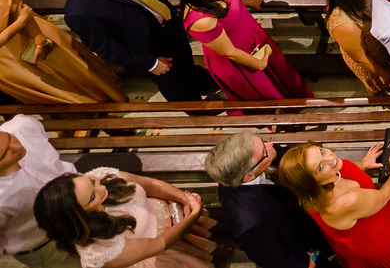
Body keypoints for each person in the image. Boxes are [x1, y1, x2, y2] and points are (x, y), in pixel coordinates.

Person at [60, 0, 216, 101]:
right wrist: (151, 63)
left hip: (169, 22)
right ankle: (193, 107)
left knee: (185, 59)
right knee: (174, 83)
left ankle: (199, 80)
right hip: (149, 49)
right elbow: (108, 48)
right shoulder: (80, 10)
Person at [275, 143, 390, 268]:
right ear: (311, 182)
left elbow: (342, 171)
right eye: (320, 167)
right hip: (374, 240)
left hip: (368, 218)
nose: (331, 159)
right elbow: (383, 196)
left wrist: (363, 164)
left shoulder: (322, 180)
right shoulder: (344, 201)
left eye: (322, 151)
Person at [173, 0, 311, 100]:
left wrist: (251, 2)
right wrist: (260, 64)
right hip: (239, 55)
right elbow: (230, 52)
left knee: (280, 72)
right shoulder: (201, 20)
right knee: (264, 89)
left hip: (252, 35)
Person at [33, 169, 214, 268]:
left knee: (206, 244)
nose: (101, 188)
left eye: (92, 183)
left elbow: (149, 184)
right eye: (92, 197)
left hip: (173, 217)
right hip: (161, 254)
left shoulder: (99, 175)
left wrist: (184, 199)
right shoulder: (99, 251)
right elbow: (159, 244)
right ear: (78, 217)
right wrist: (192, 214)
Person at [205, 134, 334, 268]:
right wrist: (304, 262)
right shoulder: (252, 227)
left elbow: (290, 156)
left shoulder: (256, 155)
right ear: (248, 176)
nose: (270, 145)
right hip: (303, 240)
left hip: (308, 210)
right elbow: (280, 259)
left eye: (262, 140)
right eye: (265, 151)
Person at [0, 0, 126, 104]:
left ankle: (108, 91)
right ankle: (89, 107)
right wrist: (20, 23)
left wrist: (39, 37)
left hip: (31, 28)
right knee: (48, 83)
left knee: (69, 63)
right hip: (7, 58)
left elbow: (17, 5)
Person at [1, 116, 84, 268]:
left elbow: (36, 129)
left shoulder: (22, 127)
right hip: (46, 245)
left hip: (85, 201)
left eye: (9, 138)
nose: (17, 147)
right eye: (5, 154)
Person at [322, 0, 390, 92]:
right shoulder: (345, 26)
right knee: (378, 85)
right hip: (367, 56)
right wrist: (388, 78)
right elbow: (362, 59)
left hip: (371, 42)